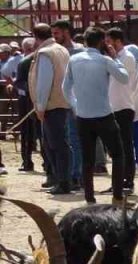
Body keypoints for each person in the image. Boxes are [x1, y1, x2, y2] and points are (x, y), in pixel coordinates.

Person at [64, 26, 129, 205]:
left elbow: (65, 88)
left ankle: (90, 198)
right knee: (117, 154)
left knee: (87, 159)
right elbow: (124, 78)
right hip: (104, 114)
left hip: (83, 115)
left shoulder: (73, 60)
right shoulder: (105, 60)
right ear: (102, 42)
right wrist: (115, 58)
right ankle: (116, 196)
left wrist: (75, 105)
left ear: (85, 40)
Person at [30, 24, 71, 193]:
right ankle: (60, 179)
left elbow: (44, 82)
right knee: (55, 143)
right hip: (62, 101)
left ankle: (63, 181)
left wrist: (40, 106)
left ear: (35, 36)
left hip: (51, 104)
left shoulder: (45, 53)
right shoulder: (61, 49)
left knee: (55, 144)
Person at [104, 28, 137, 193]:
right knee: (116, 147)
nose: (108, 45)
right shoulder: (114, 58)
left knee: (125, 146)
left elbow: (122, 77)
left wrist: (113, 58)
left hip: (124, 106)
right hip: (113, 106)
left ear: (117, 41)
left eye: (110, 42)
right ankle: (118, 180)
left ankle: (128, 180)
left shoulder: (127, 57)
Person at [52, 19, 83, 189]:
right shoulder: (57, 52)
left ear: (65, 32)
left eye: (57, 33)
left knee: (75, 139)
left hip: (75, 101)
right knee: (67, 140)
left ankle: (76, 175)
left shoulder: (78, 51)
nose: (54, 37)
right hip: (61, 101)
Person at [15, 37, 40, 172]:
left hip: (37, 100)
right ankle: (27, 161)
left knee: (40, 133)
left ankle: (46, 164)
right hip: (26, 101)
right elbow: (19, 82)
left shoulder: (40, 60)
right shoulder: (23, 63)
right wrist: (31, 88)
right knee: (26, 132)